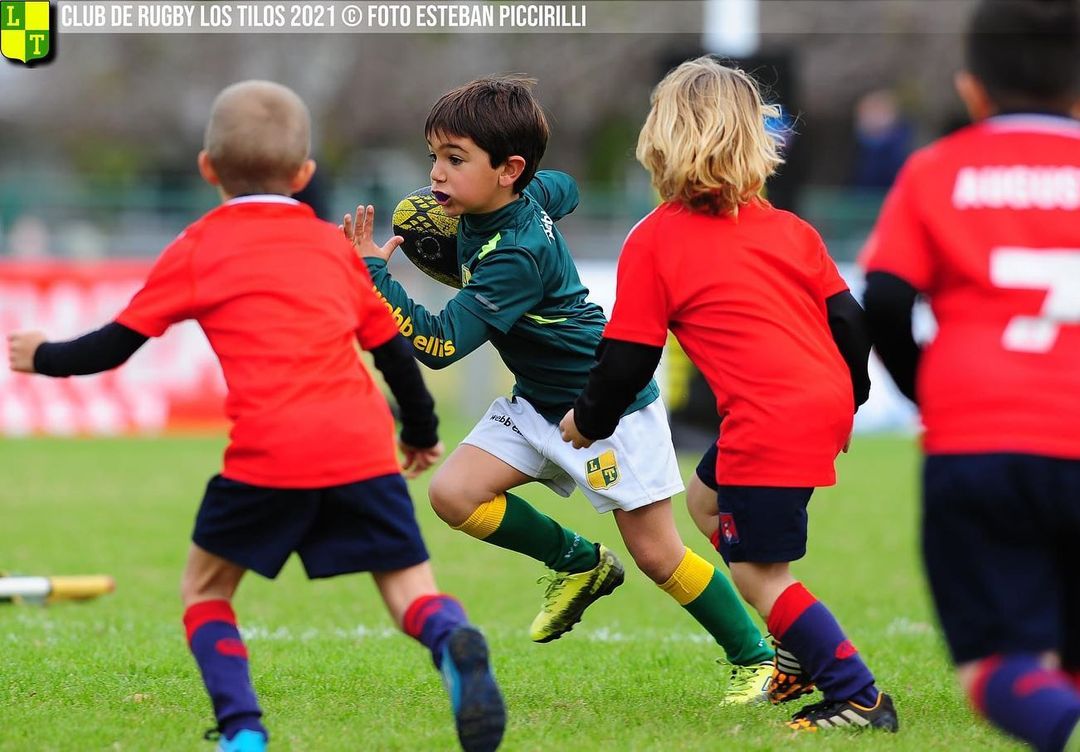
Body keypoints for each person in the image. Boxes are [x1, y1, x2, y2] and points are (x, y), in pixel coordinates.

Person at [6, 81, 505, 752]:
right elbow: (391, 354)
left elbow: (114, 343)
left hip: (269, 452)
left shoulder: (197, 247)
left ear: (208, 169)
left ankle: (242, 732)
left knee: (205, 591)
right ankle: (450, 639)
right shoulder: (334, 248)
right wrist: (420, 433)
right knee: (408, 589)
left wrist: (45, 356)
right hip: (360, 448)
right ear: (304, 176)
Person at [344, 76, 777, 703]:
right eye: (434, 156)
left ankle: (756, 657)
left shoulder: (512, 255)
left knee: (659, 555)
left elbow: (438, 344)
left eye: (455, 159)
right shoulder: (516, 198)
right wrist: (515, 199)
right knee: (455, 494)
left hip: (606, 409)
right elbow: (563, 188)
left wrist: (376, 275)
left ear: (508, 169)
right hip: (539, 403)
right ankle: (579, 562)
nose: (436, 174)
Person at [559, 57, 898, 732]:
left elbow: (628, 357)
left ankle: (857, 695)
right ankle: (799, 652)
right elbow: (850, 320)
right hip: (819, 400)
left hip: (770, 417)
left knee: (757, 574)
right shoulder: (788, 228)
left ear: (660, 138)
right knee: (704, 499)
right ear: (757, 142)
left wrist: (587, 422)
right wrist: (848, 397)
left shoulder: (655, 240)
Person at [860, 1, 1080, 749]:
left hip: (978, 445)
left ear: (973, 90)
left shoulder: (937, 170)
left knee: (1000, 672)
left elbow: (884, 297)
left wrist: (930, 388)